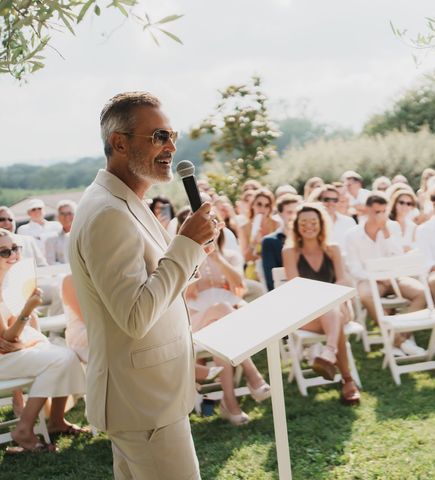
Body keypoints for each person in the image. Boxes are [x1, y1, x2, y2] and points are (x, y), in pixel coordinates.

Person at [69, 91, 220, 479]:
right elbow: (135, 316)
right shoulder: (107, 213)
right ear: (119, 143)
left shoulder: (126, 201)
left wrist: (193, 250)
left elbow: (155, 280)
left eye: (172, 135)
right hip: (143, 402)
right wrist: (184, 244)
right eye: (158, 136)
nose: (170, 146)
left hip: (151, 396)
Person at [0, 229, 87, 454]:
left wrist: (27, 339)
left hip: (14, 350)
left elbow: (13, 338)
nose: (13, 254)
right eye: (4, 251)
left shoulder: (11, 281)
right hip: (3, 358)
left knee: (68, 355)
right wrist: (28, 309)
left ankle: (56, 420)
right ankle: (24, 429)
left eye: (15, 248)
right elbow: (6, 340)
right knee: (59, 360)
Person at [185, 224, 271, 425]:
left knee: (220, 332)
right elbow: (187, 294)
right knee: (221, 311)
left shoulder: (231, 256)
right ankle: (253, 375)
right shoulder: (187, 259)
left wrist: (217, 258)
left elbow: (240, 286)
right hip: (197, 319)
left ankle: (229, 402)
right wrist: (198, 259)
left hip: (224, 321)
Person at [282, 204, 360, 405]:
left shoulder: (333, 249)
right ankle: (346, 378)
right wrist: (323, 299)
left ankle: (330, 352)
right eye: (304, 222)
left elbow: (342, 280)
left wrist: (329, 297)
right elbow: (295, 289)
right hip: (306, 314)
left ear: (321, 224)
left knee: (332, 310)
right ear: (297, 226)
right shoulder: (290, 252)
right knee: (333, 318)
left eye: (314, 222)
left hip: (339, 307)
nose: (309, 226)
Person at [345, 194, 426, 356]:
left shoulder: (393, 227)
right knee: (366, 295)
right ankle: (399, 341)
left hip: (393, 277)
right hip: (369, 280)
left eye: (383, 211)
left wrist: (386, 232)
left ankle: (402, 336)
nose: (380, 216)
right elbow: (354, 268)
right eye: (376, 212)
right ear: (367, 211)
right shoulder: (352, 234)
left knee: (422, 293)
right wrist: (377, 277)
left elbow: (397, 256)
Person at [261, 193, 301, 290]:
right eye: (289, 212)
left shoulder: (309, 239)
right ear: (280, 214)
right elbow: (270, 279)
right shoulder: (269, 241)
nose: (294, 216)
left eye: (297, 212)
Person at [239, 188, 279, 282]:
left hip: (274, 270)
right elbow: (245, 258)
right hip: (254, 273)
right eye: (259, 204)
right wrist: (254, 243)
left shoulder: (277, 224)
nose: (262, 208)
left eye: (267, 205)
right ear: (252, 205)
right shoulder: (244, 228)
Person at [315, 185, 356, 252]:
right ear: (318, 200)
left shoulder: (349, 222)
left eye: (335, 200)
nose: (331, 203)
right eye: (326, 199)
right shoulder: (313, 223)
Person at [44, 200, 76, 265]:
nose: (66, 217)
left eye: (69, 213)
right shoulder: (51, 240)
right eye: (62, 214)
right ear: (58, 217)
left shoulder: (84, 237)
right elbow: (51, 262)